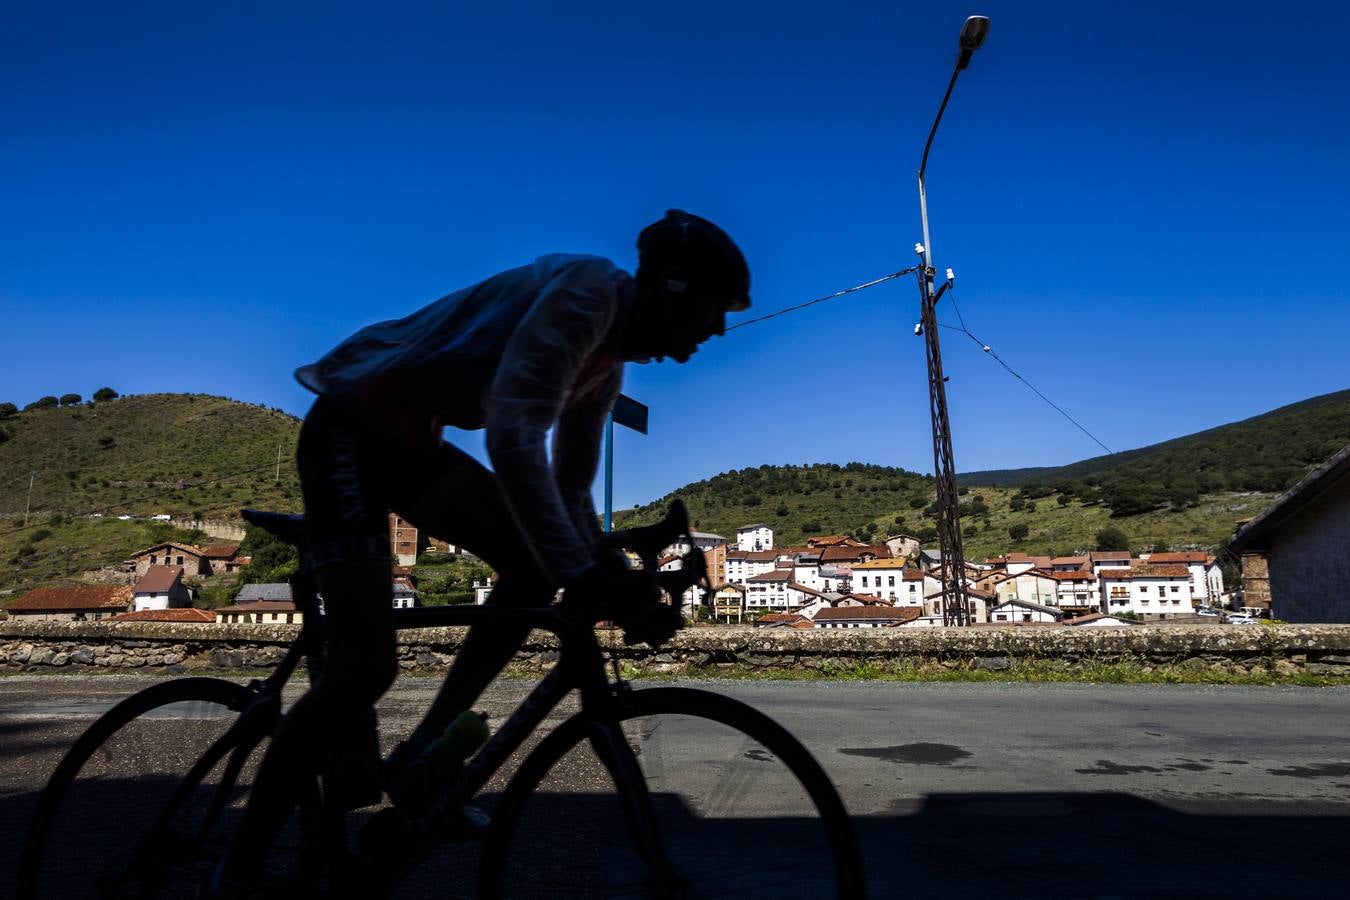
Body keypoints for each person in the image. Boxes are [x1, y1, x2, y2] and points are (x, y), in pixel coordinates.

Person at [207, 209, 751, 896]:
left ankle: (423, 755)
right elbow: (515, 439)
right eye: (712, 312)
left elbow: (570, 492)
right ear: (673, 292)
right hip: (350, 422)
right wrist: (587, 574)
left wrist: (604, 572)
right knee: (365, 668)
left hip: (411, 443)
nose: (716, 333)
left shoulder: (604, 367)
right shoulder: (585, 296)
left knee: (531, 563)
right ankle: (238, 869)